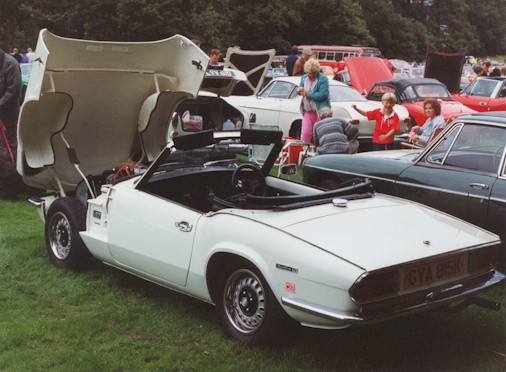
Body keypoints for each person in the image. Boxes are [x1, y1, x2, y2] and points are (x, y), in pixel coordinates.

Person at [298, 59, 330, 144]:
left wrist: (308, 94)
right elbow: (299, 87)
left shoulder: (323, 79)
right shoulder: (304, 78)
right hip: (308, 110)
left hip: (321, 111)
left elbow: (323, 94)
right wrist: (299, 90)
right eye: (308, 72)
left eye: (312, 73)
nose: (310, 75)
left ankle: (322, 151)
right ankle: (305, 150)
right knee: (305, 133)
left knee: (321, 134)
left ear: (317, 72)